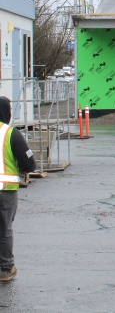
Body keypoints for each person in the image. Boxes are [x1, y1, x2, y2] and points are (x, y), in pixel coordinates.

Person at [0, 97, 37, 282]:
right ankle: (5, 269)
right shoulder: (11, 134)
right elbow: (29, 163)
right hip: (5, 190)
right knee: (4, 228)